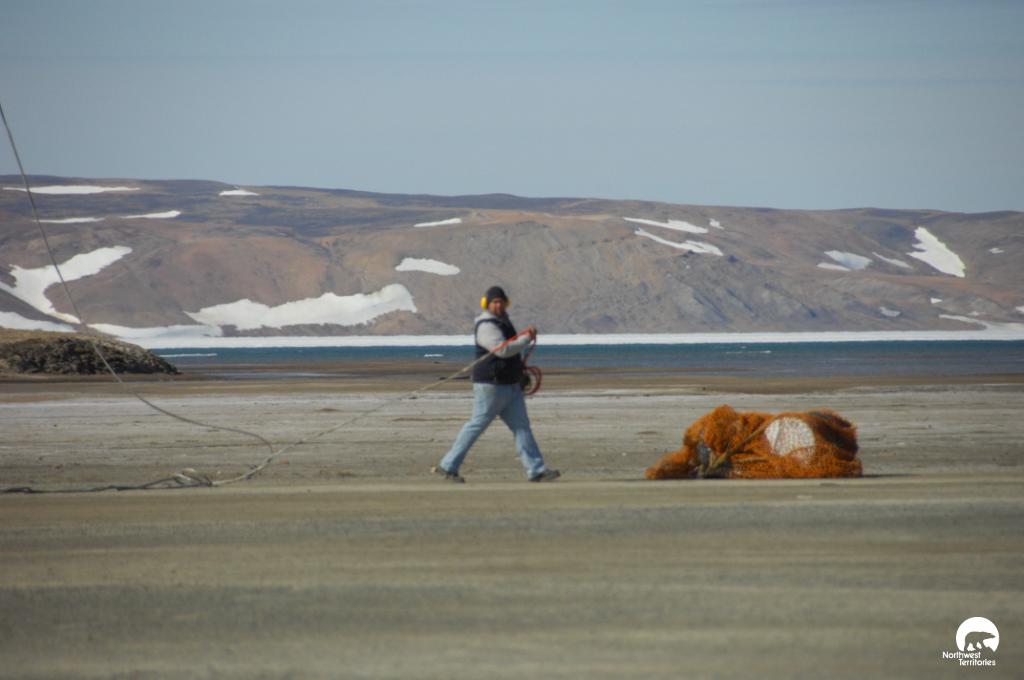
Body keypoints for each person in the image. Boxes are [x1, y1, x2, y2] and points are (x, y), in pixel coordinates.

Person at [433, 286, 560, 483]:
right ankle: (448, 465)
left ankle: (536, 470)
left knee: (522, 427)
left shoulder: (503, 322)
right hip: (491, 386)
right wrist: (526, 339)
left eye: (500, 302)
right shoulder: (486, 325)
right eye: (494, 302)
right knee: (476, 425)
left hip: (510, 385)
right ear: (487, 304)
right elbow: (502, 350)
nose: (498, 305)